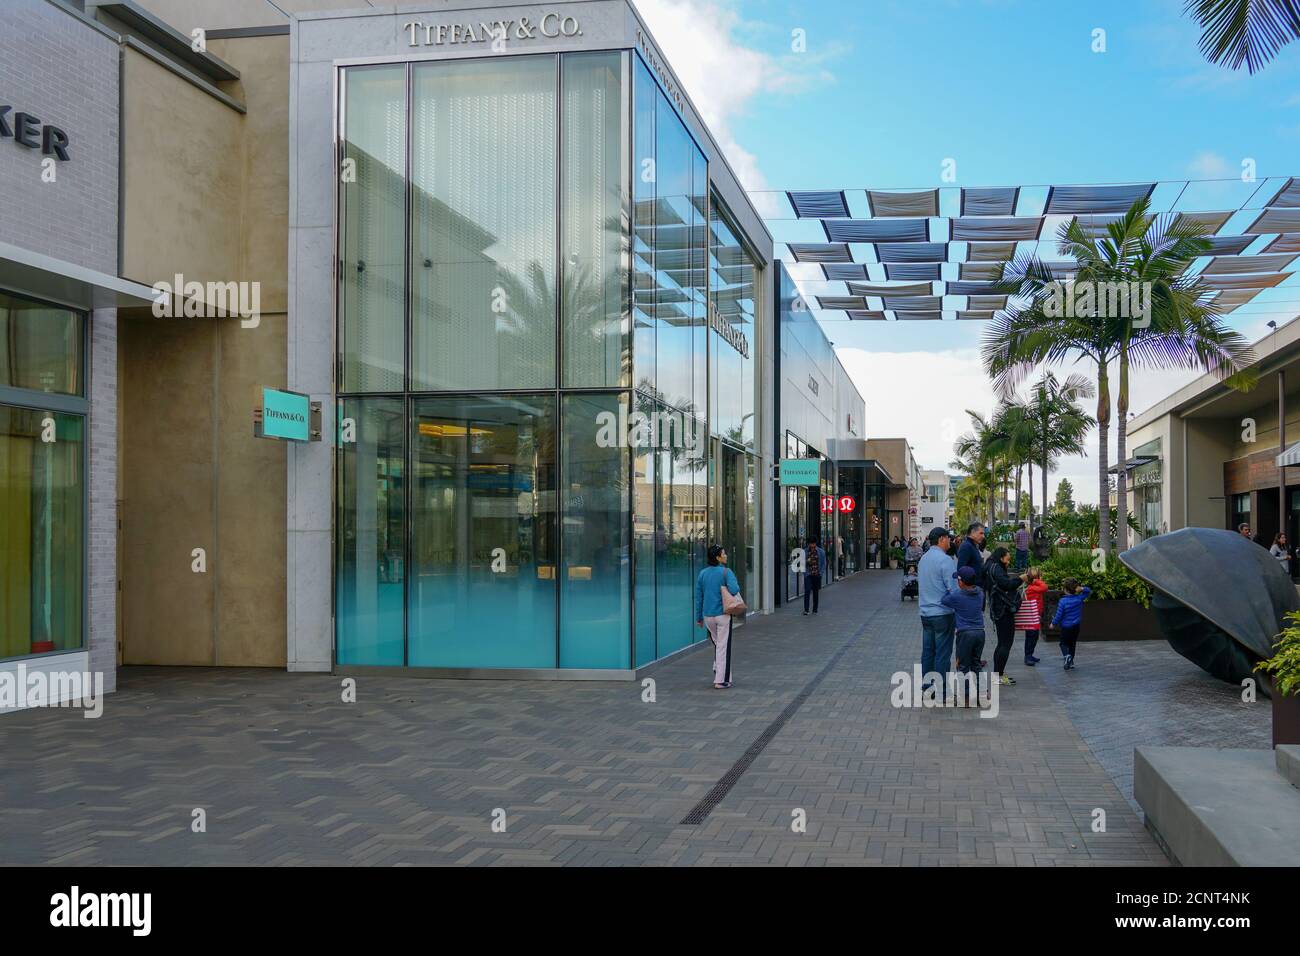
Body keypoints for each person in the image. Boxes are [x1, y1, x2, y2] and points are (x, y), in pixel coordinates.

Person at [695, 544, 741, 689]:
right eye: (723, 553)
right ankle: (720, 680)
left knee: (718, 644)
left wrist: (699, 618)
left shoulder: (702, 573)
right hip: (723, 615)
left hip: (708, 616)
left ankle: (718, 668)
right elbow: (734, 589)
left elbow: (699, 597)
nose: (726, 555)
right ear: (717, 557)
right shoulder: (726, 572)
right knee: (723, 646)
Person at [918, 526, 956, 697]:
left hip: (925, 613)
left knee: (928, 650)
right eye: (948, 538)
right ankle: (939, 688)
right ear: (941, 539)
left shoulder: (923, 559)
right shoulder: (946, 560)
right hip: (942, 613)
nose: (950, 541)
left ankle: (927, 684)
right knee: (942, 653)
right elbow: (953, 590)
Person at [941, 565, 986, 707]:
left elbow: (944, 600)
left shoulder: (957, 595)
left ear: (961, 581)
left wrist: (951, 589)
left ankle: (966, 697)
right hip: (980, 632)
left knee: (963, 666)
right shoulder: (981, 593)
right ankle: (983, 694)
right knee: (976, 664)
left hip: (965, 633)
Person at [984, 546, 1021, 685]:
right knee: (1006, 644)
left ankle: (998, 674)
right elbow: (1007, 585)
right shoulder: (998, 569)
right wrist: (1021, 579)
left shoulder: (991, 566)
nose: (1008, 561)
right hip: (1003, 610)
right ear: (1001, 558)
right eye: (1007, 558)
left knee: (1001, 643)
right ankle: (998, 675)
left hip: (998, 609)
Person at [1051, 577, 1091, 670]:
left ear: (1065, 589)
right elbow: (1088, 591)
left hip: (1066, 627)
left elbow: (1059, 614)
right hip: (1076, 626)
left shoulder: (1063, 601)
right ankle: (1071, 662)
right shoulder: (1079, 598)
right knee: (1072, 644)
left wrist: (1053, 623)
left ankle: (1067, 656)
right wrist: (1081, 588)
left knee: (1063, 643)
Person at [1015, 567, 1048, 666]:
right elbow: (1045, 587)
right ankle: (1028, 656)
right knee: (1031, 636)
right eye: (1039, 576)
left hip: (1035, 615)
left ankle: (1030, 654)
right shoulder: (1032, 588)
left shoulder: (1031, 587)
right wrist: (1037, 581)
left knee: (1033, 636)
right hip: (1032, 616)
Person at [803, 537, 826, 615]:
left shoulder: (821, 552)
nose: (812, 545)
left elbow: (823, 564)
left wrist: (820, 574)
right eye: (810, 543)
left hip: (817, 574)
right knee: (807, 591)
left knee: (816, 592)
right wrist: (805, 573)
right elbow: (802, 564)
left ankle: (815, 609)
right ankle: (806, 610)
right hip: (808, 575)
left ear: (815, 543)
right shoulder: (805, 552)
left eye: (813, 543)